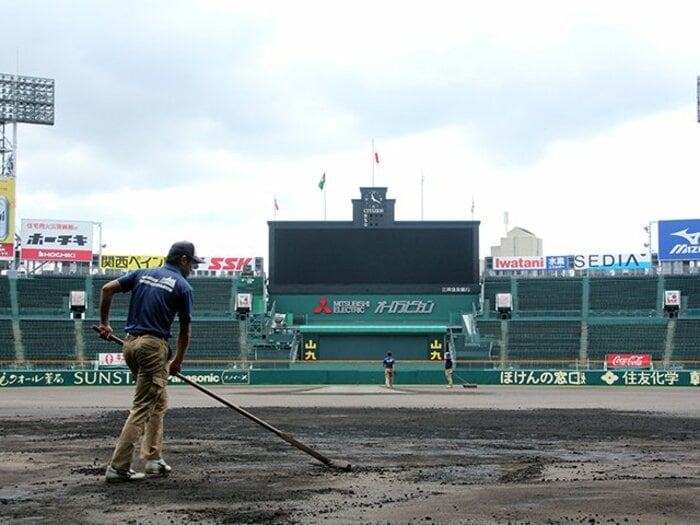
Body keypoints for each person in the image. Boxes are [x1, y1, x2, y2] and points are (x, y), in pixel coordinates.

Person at [97, 241, 204, 483]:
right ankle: (118, 466)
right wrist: (177, 361)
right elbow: (185, 330)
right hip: (153, 347)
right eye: (192, 265)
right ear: (184, 260)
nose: (193, 270)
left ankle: (153, 459)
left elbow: (106, 289)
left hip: (130, 345)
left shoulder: (142, 273)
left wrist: (104, 323)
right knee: (143, 406)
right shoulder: (183, 286)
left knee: (159, 401)